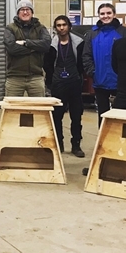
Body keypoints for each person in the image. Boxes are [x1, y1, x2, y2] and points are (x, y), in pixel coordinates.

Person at [43, 15, 85, 157]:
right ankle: (58, 144)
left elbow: (82, 63)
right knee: (56, 117)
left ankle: (76, 145)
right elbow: (47, 64)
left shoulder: (79, 43)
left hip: (74, 83)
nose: (61, 27)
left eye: (64, 25)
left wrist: (80, 78)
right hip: (58, 84)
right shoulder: (51, 45)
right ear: (55, 28)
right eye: (58, 25)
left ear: (69, 26)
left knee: (76, 116)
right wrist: (50, 82)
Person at [82, 3, 126, 126]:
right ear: (98, 15)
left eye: (108, 13)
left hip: (120, 82)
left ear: (114, 14)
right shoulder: (92, 34)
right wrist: (93, 72)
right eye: (102, 13)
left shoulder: (124, 32)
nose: (105, 16)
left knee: (121, 116)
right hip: (100, 81)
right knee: (102, 116)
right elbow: (86, 55)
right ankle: (102, 143)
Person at [3, 0, 50, 97]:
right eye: (22, 10)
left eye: (27, 9)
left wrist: (25, 43)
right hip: (14, 77)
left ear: (32, 12)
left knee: (39, 109)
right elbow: (12, 48)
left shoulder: (41, 28)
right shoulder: (10, 28)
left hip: (36, 77)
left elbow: (46, 45)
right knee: (12, 109)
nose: (25, 12)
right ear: (18, 13)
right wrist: (35, 47)